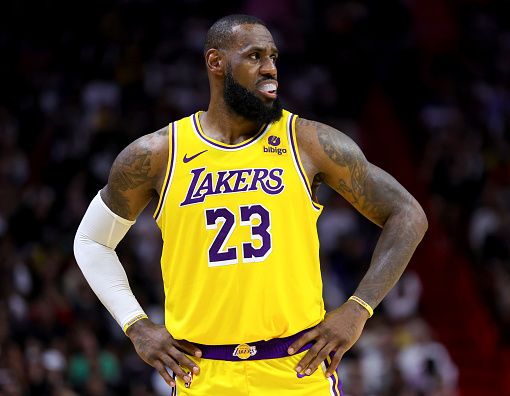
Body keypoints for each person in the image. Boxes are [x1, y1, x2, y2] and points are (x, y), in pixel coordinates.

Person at [73, 14, 428, 395]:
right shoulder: (158, 153)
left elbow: (408, 214)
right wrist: (136, 325)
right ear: (216, 62)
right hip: (202, 374)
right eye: (255, 56)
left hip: (296, 371)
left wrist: (359, 308)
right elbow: (92, 242)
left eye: (274, 57)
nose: (271, 69)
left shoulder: (308, 142)